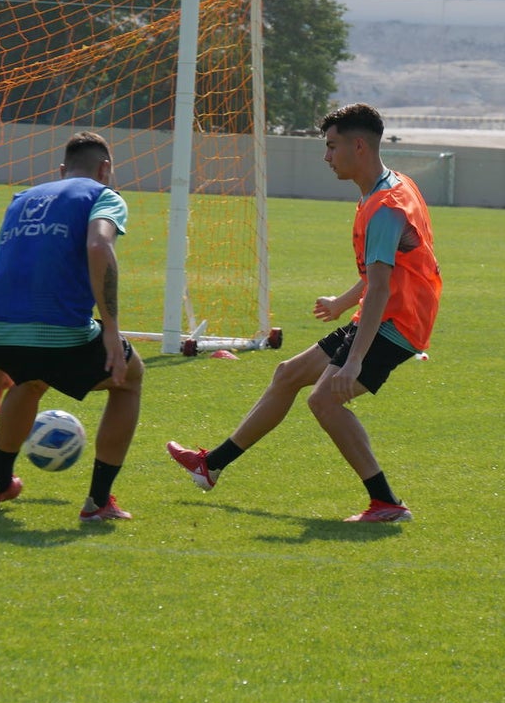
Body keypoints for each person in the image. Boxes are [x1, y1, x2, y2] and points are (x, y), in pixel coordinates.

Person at [168, 103, 442, 522]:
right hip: (386, 314)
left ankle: (387, 503)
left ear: (359, 146)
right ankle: (212, 464)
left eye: (332, 147)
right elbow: (385, 273)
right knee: (287, 375)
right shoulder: (391, 187)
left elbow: (385, 287)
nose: (326, 156)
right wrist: (343, 303)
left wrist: (352, 363)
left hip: (396, 324)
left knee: (325, 401)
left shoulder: (385, 207)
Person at [0, 131, 144, 523]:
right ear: (105, 169)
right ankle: (99, 502)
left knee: (30, 379)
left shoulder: (21, 200)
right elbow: (99, 247)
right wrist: (112, 331)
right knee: (130, 377)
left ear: (62, 171)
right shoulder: (103, 195)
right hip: (58, 336)